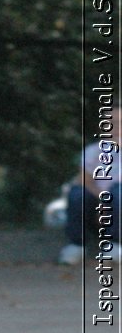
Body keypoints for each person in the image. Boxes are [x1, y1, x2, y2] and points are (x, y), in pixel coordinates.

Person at [61, 105, 120, 264]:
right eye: (111, 123)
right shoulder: (93, 151)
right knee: (77, 193)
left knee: (118, 191)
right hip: (98, 200)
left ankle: (114, 244)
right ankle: (76, 246)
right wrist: (104, 202)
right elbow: (84, 181)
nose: (115, 128)